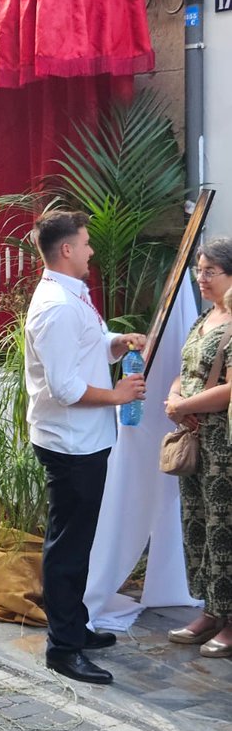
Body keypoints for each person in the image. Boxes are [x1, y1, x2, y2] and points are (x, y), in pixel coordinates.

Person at [25, 211, 146, 685]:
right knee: (68, 546)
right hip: (70, 442)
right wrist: (117, 396)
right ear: (67, 250)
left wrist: (118, 343)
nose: (93, 250)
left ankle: (74, 626)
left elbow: (91, 346)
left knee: (76, 540)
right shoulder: (56, 305)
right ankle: (64, 647)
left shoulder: (72, 295)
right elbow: (64, 386)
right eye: (87, 243)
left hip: (86, 439)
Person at [164, 240, 232, 656]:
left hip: (223, 443)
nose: (201, 278)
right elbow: (185, 370)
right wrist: (174, 402)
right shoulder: (206, 318)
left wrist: (184, 405)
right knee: (197, 524)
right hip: (193, 437)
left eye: (210, 271)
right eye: (199, 270)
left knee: (226, 529)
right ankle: (211, 610)